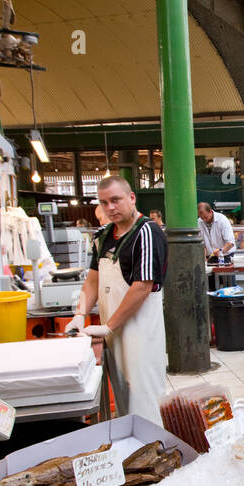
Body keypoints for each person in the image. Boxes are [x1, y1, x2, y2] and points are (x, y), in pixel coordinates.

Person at [66, 176, 168, 422]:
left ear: (131, 198)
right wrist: (80, 314)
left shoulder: (147, 232)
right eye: (104, 203)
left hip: (141, 332)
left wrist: (109, 325)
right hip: (113, 331)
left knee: (144, 398)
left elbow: (141, 287)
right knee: (123, 399)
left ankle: (155, 453)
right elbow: (93, 280)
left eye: (115, 200)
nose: (110, 207)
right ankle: (131, 452)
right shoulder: (102, 235)